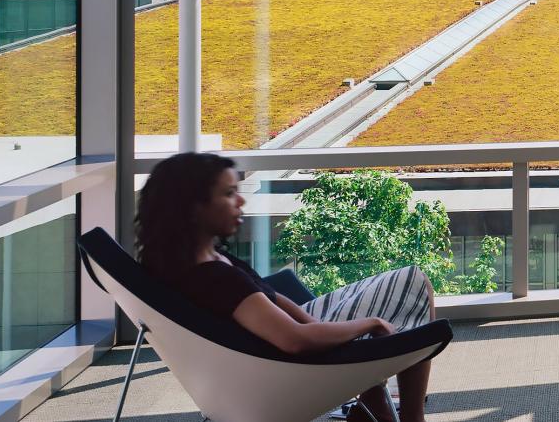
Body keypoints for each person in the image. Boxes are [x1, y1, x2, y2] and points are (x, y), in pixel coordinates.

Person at [135, 152, 435, 422]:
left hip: (277, 343)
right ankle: (411, 417)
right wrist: (367, 324)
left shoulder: (191, 261)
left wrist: (316, 322)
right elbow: (294, 340)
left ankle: (373, 405)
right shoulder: (215, 279)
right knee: (413, 284)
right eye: (228, 194)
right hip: (287, 366)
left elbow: (272, 298)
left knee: (404, 286)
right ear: (193, 209)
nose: (241, 201)